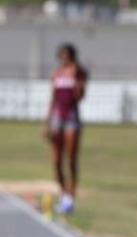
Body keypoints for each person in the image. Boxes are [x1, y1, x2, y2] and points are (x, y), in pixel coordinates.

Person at [42, 43, 88, 214]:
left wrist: (75, 79)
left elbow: (80, 96)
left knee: (71, 159)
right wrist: (46, 122)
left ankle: (70, 198)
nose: (64, 58)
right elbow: (52, 98)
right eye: (62, 55)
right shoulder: (56, 74)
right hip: (57, 119)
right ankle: (63, 194)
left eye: (67, 55)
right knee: (56, 161)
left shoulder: (79, 72)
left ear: (72, 56)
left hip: (71, 119)